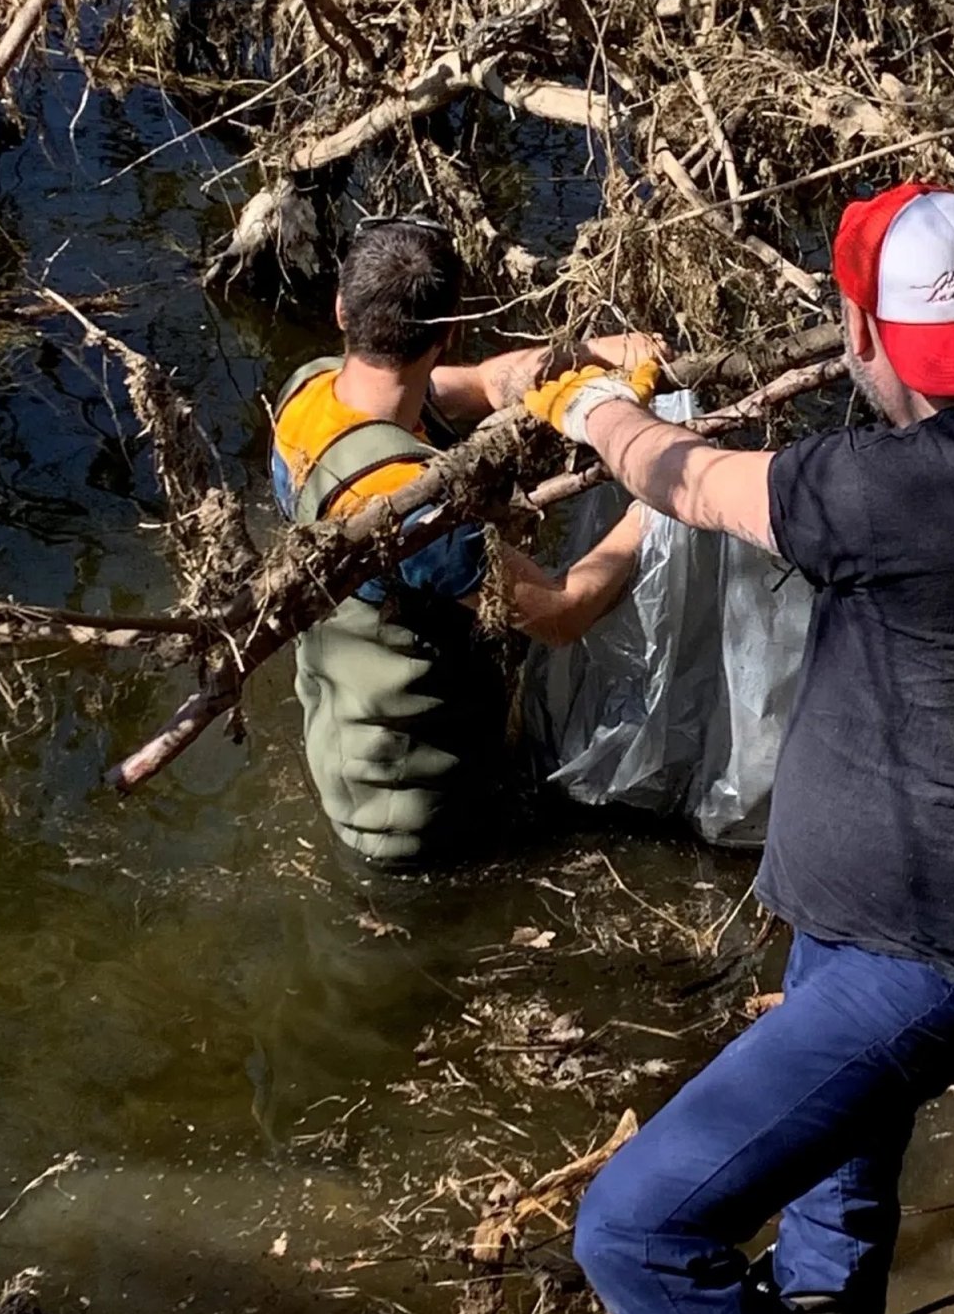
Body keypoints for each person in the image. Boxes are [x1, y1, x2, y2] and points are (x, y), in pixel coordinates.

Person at [522, 183, 954, 1314]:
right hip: (908, 924)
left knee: (637, 1230)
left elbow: (684, 480)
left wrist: (588, 404)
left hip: (916, 960)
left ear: (861, 330)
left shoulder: (882, 489)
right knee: (833, 1204)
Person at [272, 213, 667, 867]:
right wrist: (654, 506)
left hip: (346, 747)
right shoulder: (415, 518)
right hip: (414, 814)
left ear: (342, 309)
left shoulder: (309, 392)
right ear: (449, 330)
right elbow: (560, 613)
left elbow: (487, 382)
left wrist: (601, 358)